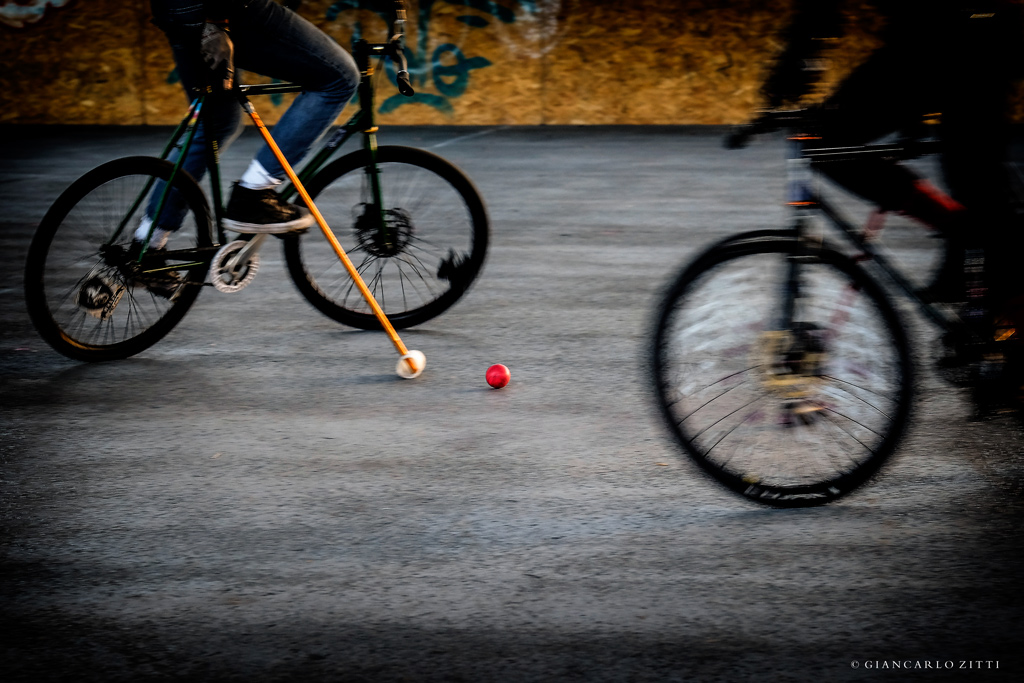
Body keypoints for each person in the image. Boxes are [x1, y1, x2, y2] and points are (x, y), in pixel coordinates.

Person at [758, 0, 1023, 312]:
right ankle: (976, 249)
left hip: (957, 36)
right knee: (977, 188)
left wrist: (793, 63)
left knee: (825, 139)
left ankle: (983, 255)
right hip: (958, 34)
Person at [137, 0, 359, 248]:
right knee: (340, 77)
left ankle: (148, 243)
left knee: (217, 121)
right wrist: (210, 26)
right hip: (225, 11)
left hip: (180, 13)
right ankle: (253, 194)